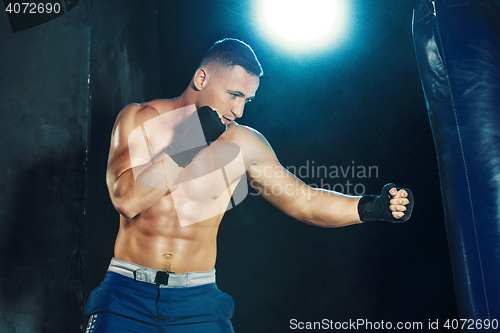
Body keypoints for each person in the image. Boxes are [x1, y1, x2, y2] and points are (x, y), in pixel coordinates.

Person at [84, 38, 414, 333]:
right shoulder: (140, 119)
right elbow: (127, 200)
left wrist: (371, 207)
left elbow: (305, 201)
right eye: (234, 95)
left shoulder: (245, 144)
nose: (238, 111)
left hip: (197, 304)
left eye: (247, 101)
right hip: (125, 295)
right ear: (202, 78)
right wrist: (191, 140)